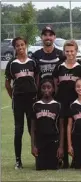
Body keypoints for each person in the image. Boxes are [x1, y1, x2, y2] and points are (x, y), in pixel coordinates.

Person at [52, 40, 81, 168]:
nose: (70, 53)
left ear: (76, 52)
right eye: (67, 51)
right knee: (62, 130)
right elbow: (55, 82)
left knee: (75, 130)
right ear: (64, 52)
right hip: (62, 102)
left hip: (76, 103)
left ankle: (77, 160)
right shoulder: (60, 66)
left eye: (72, 51)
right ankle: (63, 160)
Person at [5, 37, 37, 169]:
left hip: (32, 100)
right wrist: (13, 96)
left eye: (22, 45)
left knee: (33, 129)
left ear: (26, 45)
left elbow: (38, 80)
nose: (20, 47)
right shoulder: (12, 63)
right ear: (15, 48)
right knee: (19, 130)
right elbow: (7, 84)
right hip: (18, 101)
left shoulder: (32, 62)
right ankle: (18, 160)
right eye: (17, 46)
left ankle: (38, 157)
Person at [31, 79, 63, 170]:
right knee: (40, 168)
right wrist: (33, 146)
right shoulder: (36, 105)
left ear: (53, 89)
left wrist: (60, 147)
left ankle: (59, 160)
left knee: (53, 167)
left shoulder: (58, 105)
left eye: (49, 87)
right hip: (40, 141)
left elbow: (61, 128)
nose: (46, 90)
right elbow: (33, 128)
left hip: (53, 140)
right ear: (40, 89)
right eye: (43, 88)